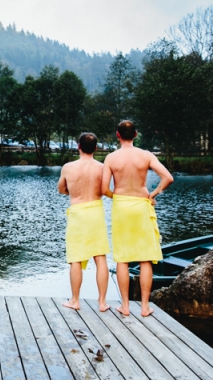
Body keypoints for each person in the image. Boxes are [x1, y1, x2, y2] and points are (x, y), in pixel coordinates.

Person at [102, 120, 173, 317]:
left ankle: (125, 306)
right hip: (141, 204)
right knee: (145, 258)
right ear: (135, 135)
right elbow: (168, 177)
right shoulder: (146, 155)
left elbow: (103, 188)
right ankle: (144, 307)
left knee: (123, 258)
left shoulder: (111, 158)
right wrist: (153, 194)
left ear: (118, 135)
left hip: (121, 206)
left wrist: (116, 196)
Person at [58, 132, 112, 312]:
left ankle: (75, 300)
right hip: (96, 210)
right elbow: (105, 190)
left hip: (78, 212)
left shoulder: (68, 167)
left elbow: (61, 189)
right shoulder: (102, 167)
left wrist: (72, 192)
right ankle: (102, 302)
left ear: (78, 146)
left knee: (75, 258)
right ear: (96, 148)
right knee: (100, 257)